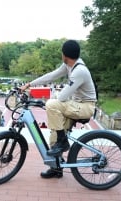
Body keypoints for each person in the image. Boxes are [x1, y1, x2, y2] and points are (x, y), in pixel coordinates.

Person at [20, 40, 97, 179]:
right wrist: (29, 84)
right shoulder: (69, 65)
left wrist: (50, 98)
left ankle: (63, 142)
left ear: (65, 55)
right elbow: (51, 76)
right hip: (76, 104)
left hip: (85, 106)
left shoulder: (79, 70)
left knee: (51, 104)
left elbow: (61, 98)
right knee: (54, 137)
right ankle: (56, 168)